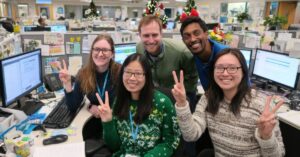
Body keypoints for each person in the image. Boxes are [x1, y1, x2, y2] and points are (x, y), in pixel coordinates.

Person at [172, 48, 285, 156]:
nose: (225, 73)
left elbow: (277, 155)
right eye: (220, 68)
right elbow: (190, 135)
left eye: (232, 68)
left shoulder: (262, 105)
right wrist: (182, 104)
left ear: (243, 72)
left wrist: (266, 136)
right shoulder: (208, 98)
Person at [96, 53, 181, 157]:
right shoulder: (119, 101)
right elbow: (115, 146)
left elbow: (169, 143)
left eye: (138, 73)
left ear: (147, 76)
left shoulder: (162, 102)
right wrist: (108, 122)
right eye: (127, 72)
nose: (132, 78)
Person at [136, 15, 199, 112]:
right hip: (155, 95)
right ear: (139, 35)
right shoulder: (139, 48)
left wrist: (182, 96)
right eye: (146, 35)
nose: (151, 40)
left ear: (161, 34)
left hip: (179, 97)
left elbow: (193, 78)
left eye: (155, 35)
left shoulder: (182, 52)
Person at [57, 34, 121, 118]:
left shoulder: (121, 72)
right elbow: (73, 106)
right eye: (97, 49)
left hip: (117, 121)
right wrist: (68, 85)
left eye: (105, 50)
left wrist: (109, 112)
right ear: (92, 52)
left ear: (112, 53)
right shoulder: (83, 74)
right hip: (95, 123)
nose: (100, 54)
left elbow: (130, 105)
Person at [180, 16, 228, 91]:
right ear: (183, 41)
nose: (192, 39)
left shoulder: (226, 55)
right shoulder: (195, 55)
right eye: (187, 36)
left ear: (206, 34)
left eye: (196, 33)